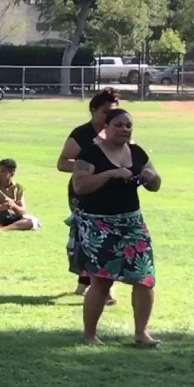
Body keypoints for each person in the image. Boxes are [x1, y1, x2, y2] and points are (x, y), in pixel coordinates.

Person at [71, 108, 160, 347]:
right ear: (106, 127)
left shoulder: (137, 152)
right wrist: (110, 174)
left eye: (128, 126)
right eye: (118, 125)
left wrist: (151, 176)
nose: (124, 129)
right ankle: (90, 335)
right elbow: (80, 186)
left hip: (131, 223)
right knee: (101, 280)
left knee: (144, 278)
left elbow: (156, 184)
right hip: (99, 224)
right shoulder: (90, 153)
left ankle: (142, 333)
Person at [57, 88, 120, 302]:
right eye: (105, 112)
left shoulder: (117, 132)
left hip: (112, 194)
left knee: (108, 240)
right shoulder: (81, 135)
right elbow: (63, 163)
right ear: (93, 110)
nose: (109, 117)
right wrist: (91, 167)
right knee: (90, 239)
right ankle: (101, 289)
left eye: (113, 112)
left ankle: (87, 284)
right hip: (83, 194)